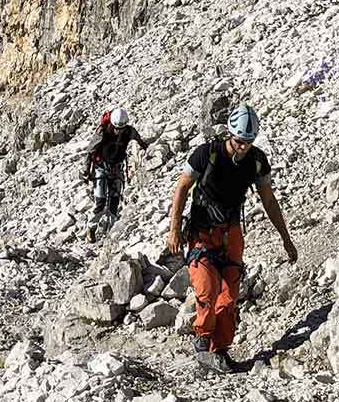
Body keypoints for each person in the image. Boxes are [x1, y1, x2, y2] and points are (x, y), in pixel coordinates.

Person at [166, 103, 298, 374]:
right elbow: (182, 186)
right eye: (239, 141)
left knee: (228, 297)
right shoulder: (207, 154)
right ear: (229, 135)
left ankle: (220, 350)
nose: (243, 147)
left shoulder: (256, 161)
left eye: (248, 142)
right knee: (206, 288)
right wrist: (174, 227)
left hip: (231, 233)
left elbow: (269, 201)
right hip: (203, 231)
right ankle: (202, 340)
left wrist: (285, 237)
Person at [84, 106, 150, 226]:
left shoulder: (129, 131)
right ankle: (91, 227)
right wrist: (86, 170)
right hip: (101, 168)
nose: (119, 131)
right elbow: (90, 151)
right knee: (100, 202)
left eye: (121, 128)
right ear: (112, 124)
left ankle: (109, 229)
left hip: (116, 169)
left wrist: (146, 147)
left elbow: (139, 140)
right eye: (117, 128)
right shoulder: (103, 131)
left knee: (114, 201)